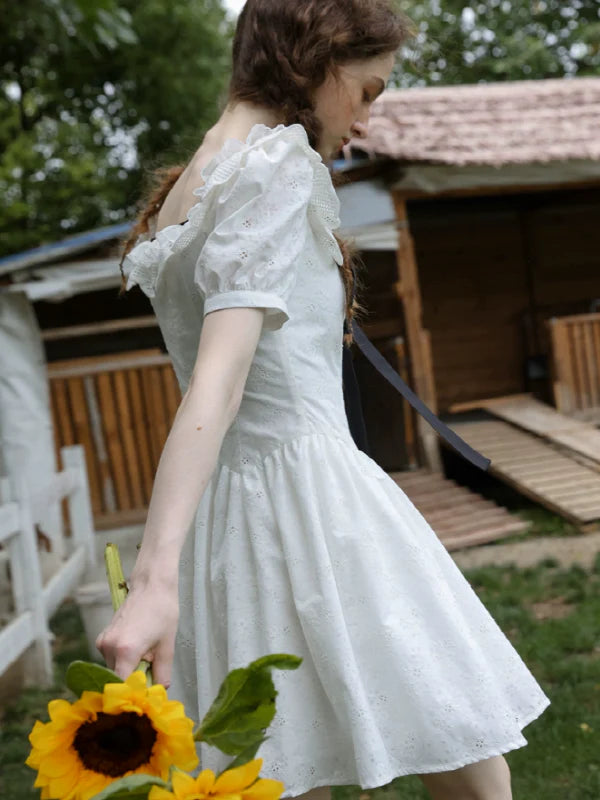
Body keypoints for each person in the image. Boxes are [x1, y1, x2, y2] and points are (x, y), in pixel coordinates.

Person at [97, 2, 550, 798]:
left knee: (282, 769)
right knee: (466, 748)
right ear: (318, 57)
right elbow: (220, 381)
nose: (366, 120)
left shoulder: (187, 192)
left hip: (229, 525)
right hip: (316, 503)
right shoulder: (273, 166)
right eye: (367, 90)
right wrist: (154, 579)